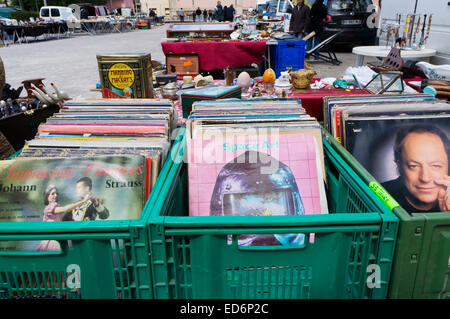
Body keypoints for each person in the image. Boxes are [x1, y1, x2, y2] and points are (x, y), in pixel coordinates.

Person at [382, 125, 450, 213]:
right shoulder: (376, 197)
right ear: (399, 166)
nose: (425, 178)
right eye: (413, 166)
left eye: (436, 166)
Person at [36, 185, 90, 251]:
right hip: (51, 242)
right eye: (53, 194)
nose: (55, 195)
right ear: (47, 197)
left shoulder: (54, 207)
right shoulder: (49, 208)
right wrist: (83, 201)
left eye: (56, 193)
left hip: (57, 239)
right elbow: (66, 209)